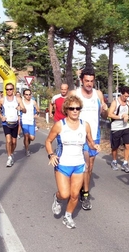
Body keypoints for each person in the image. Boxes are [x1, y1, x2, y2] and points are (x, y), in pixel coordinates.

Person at [46, 95, 100, 229]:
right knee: (65, 194)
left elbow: (90, 142)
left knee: (75, 195)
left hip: (79, 164)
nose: (75, 111)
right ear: (66, 110)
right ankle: (57, 199)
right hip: (63, 164)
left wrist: (95, 146)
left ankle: (68, 216)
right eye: (72, 108)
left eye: (78, 108)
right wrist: (51, 155)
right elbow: (48, 141)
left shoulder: (85, 125)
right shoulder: (60, 125)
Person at [69, 66, 108, 210]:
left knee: (89, 167)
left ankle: (83, 191)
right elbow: (66, 111)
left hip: (94, 135)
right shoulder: (74, 93)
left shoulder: (98, 94)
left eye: (91, 81)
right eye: (86, 81)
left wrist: (105, 109)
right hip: (78, 134)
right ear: (81, 80)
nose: (89, 84)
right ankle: (83, 193)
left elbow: (104, 115)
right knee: (82, 165)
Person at [0, 83, 26, 167]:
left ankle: (11, 153)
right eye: (7, 89)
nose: (9, 91)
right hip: (6, 123)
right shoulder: (2, 99)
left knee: (14, 142)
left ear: (13, 90)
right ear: (5, 90)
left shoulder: (18, 99)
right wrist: (1, 116)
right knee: (8, 141)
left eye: (10, 89)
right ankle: (9, 157)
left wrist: (21, 108)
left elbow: (25, 110)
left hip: (15, 123)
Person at [107, 86, 129, 173]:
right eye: (125, 96)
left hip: (126, 127)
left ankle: (125, 163)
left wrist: (128, 116)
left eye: (127, 96)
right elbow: (110, 114)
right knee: (115, 147)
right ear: (121, 94)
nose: (126, 98)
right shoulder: (115, 102)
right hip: (116, 127)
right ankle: (114, 161)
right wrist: (121, 117)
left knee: (128, 145)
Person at [20, 88, 39, 157]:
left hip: (31, 122)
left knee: (32, 138)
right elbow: (17, 108)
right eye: (26, 94)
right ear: (24, 95)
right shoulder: (21, 102)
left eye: (29, 94)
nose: (28, 96)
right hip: (24, 121)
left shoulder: (33, 102)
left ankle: (27, 142)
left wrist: (36, 113)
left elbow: (38, 109)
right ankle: (27, 150)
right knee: (26, 135)